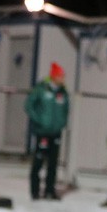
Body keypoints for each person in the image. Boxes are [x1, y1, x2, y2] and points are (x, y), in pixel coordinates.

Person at [24, 61, 69, 200]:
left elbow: (66, 110)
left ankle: (50, 191)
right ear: (54, 76)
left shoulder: (63, 92)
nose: (63, 79)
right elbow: (29, 105)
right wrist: (39, 120)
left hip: (55, 132)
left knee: (53, 163)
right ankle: (35, 191)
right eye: (60, 76)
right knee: (38, 162)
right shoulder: (41, 89)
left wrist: (62, 123)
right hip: (42, 132)